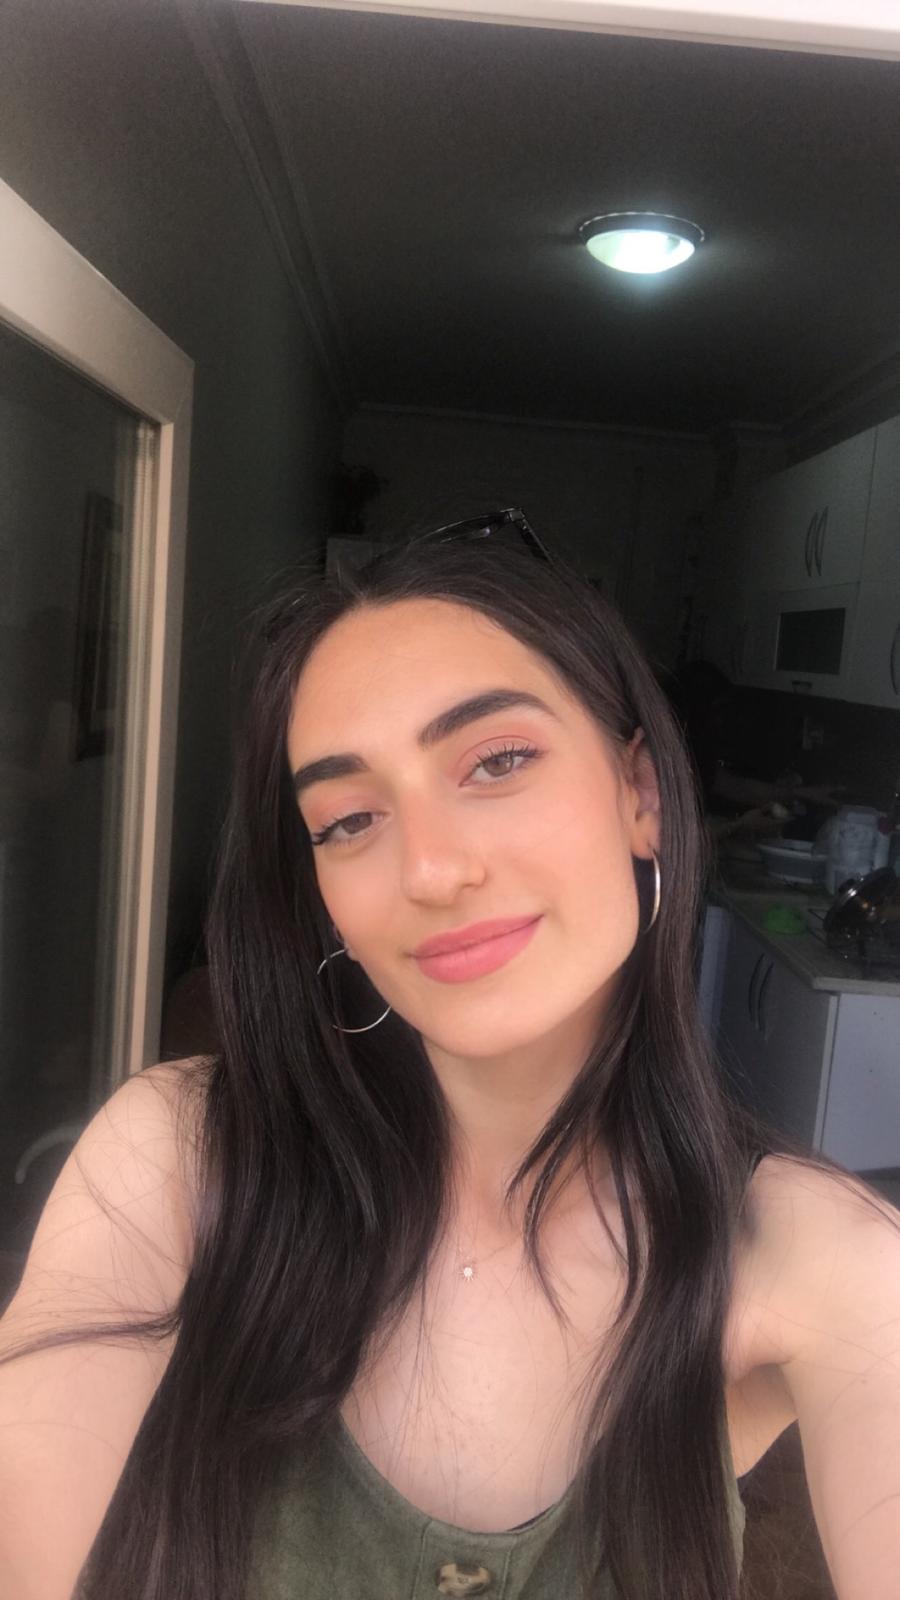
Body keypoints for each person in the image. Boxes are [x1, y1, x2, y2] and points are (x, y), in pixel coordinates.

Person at [1, 532, 898, 1600]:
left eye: (498, 760)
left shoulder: (803, 1252)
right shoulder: (180, 1157)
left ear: (642, 794)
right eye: (349, 819)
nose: (427, 869)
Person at [661, 658, 845, 844]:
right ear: (696, 710)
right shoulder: (662, 757)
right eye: (716, 711)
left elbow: (738, 788)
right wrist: (739, 825)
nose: (720, 721)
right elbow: (669, 836)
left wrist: (802, 793)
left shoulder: (695, 752)